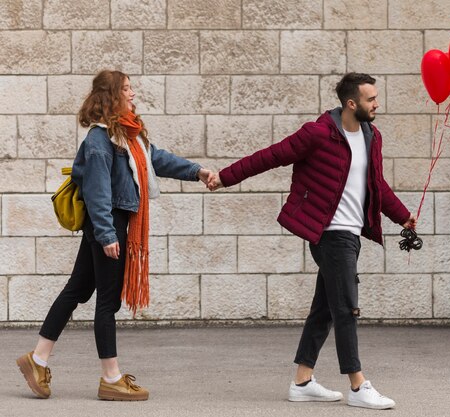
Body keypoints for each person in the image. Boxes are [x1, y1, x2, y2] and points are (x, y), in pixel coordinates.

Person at [208, 72, 416, 410]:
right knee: (347, 307)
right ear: (351, 104)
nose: (377, 103)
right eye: (370, 99)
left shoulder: (371, 136)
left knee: (325, 309)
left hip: (351, 234)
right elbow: (270, 155)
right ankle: (357, 384)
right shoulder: (318, 134)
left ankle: (302, 381)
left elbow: (377, 185)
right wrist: (225, 177)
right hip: (330, 234)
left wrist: (402, 215)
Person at [16, 70, 213, 401]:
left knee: (77, 289)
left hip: (112, 221)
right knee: (108, 301)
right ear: (111, 96)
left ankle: (37, 359)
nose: (133, 93)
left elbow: (155, 160)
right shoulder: (99, 140)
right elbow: (96, 193)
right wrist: (108, 235)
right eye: (126, 88)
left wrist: (197, 171)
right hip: (109, 224)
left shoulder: (127, 134)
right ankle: (111, 377)